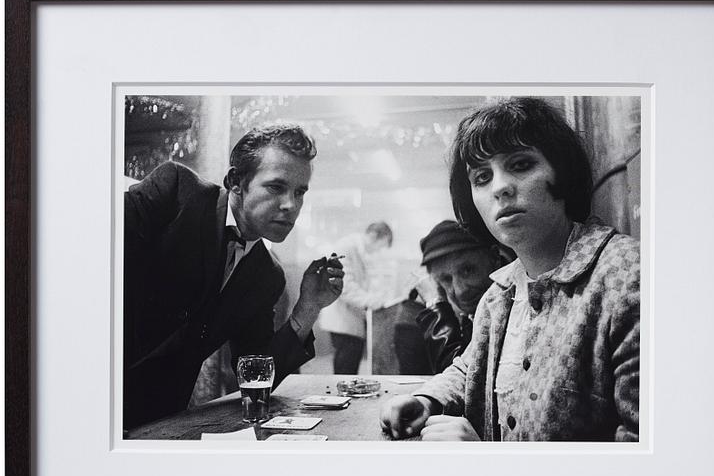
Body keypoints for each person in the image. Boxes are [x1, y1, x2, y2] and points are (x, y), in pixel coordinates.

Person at [380, 97, 640, 441]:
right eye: (482, 177)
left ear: (561, 173)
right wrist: (426, 399)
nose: (500, 187)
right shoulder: (500, 294)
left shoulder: (628, 276)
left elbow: (644, 457)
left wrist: (489, 462)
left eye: (520, 164)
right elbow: (469, 367)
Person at [124, 124, 345, 429]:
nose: (290, 206)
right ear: (236, 182)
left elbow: (254, 374)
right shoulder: (175, 190)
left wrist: (308, 308)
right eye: (276, 187)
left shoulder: (268, 276)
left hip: (160, 421)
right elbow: (94, 271)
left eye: (299, 192)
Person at [410, 220, 504, 373]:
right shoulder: (473, 317)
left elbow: (466, 381)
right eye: (446, 279)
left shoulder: (516, 306)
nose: (460, 290)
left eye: (468, 270)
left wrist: (436, 305)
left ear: (494, 258)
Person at [318, 222, 393, 374]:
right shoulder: (345, 247)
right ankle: (341, 397)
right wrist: (373, 301)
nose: (378, 250)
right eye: (381, 245)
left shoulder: (357, 249)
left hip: (350, 319)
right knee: (345, 368)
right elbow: (344, 287)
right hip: (343, 321)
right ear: (373, 236)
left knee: (350, 365)